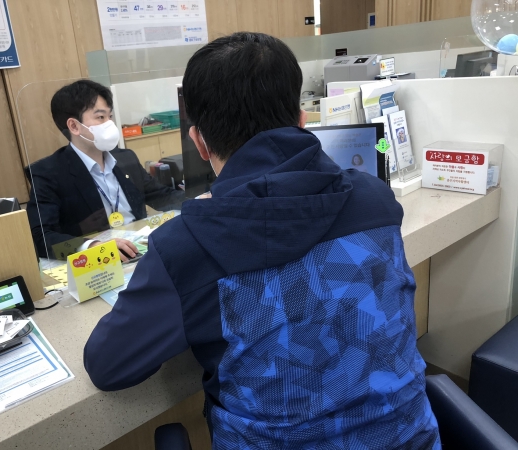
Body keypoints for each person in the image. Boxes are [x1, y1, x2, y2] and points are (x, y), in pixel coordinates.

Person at [84, 33, 440, 449]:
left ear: (199, 142)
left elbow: (108, 365)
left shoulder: (185, 246)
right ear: (303, 120)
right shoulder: (374, 199)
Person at [25, 80, 184, 261]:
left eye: (110, 116)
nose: (109, 124)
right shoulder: (48, 173)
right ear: (74, 126)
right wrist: (92, 247)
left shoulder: (126, 158)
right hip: (99, 262)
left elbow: (161, 196)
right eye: (100, 117)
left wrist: (196, 200)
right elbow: (41, 236)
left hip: (140, 251)